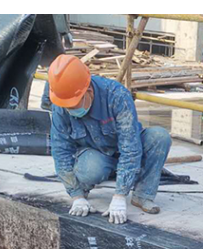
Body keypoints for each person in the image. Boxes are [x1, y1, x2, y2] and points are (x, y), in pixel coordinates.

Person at [47, 55, 171, 224]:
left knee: (159, 137)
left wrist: (120, 196)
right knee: (90, 169)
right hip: (96, 156)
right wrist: (75, 195)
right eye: (66, 107)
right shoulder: (62, 102)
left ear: (88, 92)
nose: (70, 110)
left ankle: (142, 195)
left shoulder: (117, 96)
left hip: (123, 151)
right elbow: (60, 150)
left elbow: (130, 148)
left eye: (73, 106)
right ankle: (84, 187)